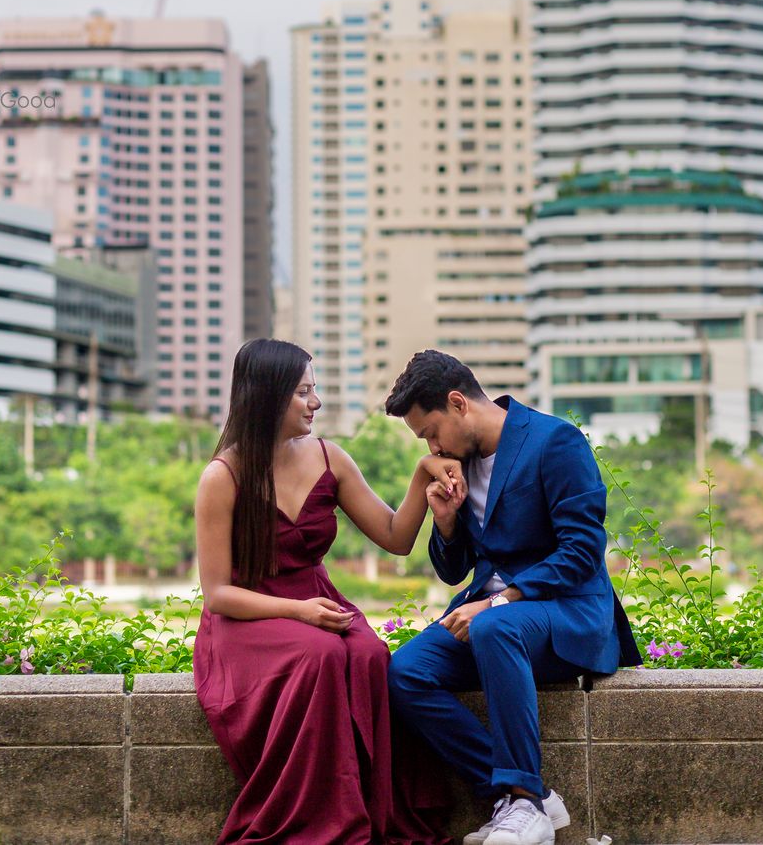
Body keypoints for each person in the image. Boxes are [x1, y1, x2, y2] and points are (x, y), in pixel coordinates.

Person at [194, 336, 464, 845]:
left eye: (314, 391)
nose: (315, 403)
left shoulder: (329, 457)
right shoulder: (222, 476)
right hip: (249, 617)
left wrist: (421, 480)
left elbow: (395, 538)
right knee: (319, 655)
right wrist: (297, 612)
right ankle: (319, 822)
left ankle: (369, 808)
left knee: (367, 653)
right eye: (303, 392)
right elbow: (218, 595)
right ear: (267, 395)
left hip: (317, 602)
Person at [384, 351, 640, 845]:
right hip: (495, 624)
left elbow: (583, 550)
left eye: (431, 432)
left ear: (458, 403)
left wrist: (503, 601)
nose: (432, 447)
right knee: (406, 673)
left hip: (569, 612)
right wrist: (446, 521)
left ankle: (523, 799)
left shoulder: (554, 440)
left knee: (493, 624)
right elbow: (454, 570)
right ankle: (527, 799)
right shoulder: (458, 466)